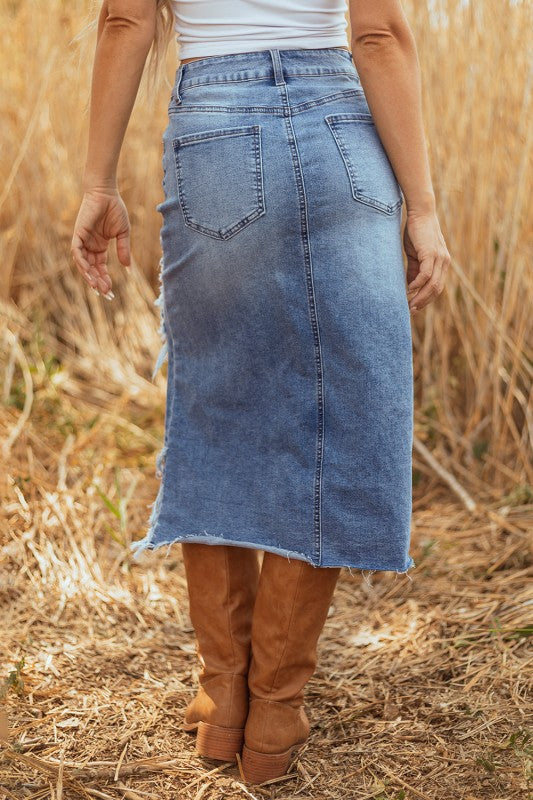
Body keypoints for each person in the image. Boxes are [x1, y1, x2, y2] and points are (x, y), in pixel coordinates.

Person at [71, 0, 451, 785]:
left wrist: (96, 183)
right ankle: (276, 711)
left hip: (213, 126)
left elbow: (123, 20)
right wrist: (425, 207)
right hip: (341, 128)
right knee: (341, 418)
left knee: (216, 412)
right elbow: (377, 34)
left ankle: (224, 702)